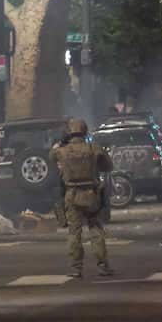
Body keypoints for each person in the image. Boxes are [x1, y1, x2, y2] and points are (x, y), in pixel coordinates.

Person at [52, 118, 115, 277]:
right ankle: (103, 265)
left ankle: (76, 268)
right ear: (85, 131)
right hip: (91, 194)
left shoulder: (62, 151)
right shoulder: (93, 149)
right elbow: (108, 166)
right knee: (95, 229)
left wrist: (61, 143)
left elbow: (51, 156)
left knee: (74, 232)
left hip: (72, 195)